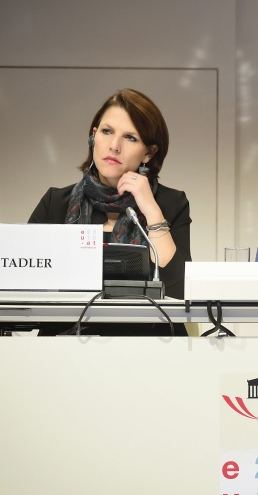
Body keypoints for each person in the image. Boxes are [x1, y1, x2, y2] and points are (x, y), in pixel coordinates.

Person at [29, 88, 192, 335]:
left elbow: (178, 292)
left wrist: (151, 211)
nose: (114, 146)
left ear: (149, 152)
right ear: (93, 137)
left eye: (130, 138)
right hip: (66, 349)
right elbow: (25, 287)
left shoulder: (170, 203)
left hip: (149, 350)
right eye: (107, 132)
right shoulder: (56, 203)